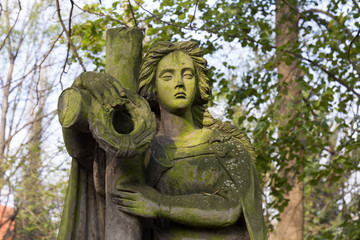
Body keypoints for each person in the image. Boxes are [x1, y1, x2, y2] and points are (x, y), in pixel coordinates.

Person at [111, 41, 267, 240]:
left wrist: (160, 205)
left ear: (198, 82)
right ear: (153, 86)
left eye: (187, 75)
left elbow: (231, 208)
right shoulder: (141, 150)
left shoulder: (226, 149)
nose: (179, 83)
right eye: (168, 76)